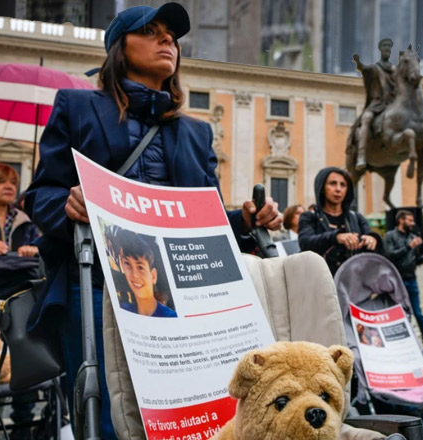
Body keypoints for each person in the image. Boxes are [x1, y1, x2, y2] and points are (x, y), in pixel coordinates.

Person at [25, 4, 281, 438]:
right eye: (152, 31)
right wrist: (68, 204)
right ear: (119, 48)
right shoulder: (77, 106)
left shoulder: (196, 133)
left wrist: (246, 218)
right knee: (106, 417)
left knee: (188, 413)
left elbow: (207, 218)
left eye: (173, 36)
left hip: (179, 300)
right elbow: (41, 195)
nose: (168, 40)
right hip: (94, 288)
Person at [0, 163, 40, 437]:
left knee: (21, 357)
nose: (9, 186)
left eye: (13, 182)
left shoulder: (25, 220)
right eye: (0, 181)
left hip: (16, 301)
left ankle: (24, 425)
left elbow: (39, 252)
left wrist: (32, 248)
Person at [298, 167, 378, 275]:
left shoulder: (357, 217)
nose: (338, 189)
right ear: (322, 187)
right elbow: (305, 243)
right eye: (332, 183)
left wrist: (371, 240)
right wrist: (335, 237)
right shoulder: (309, 217)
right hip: (320, 281)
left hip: (352, 283)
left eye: (343, 185)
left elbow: (374, 248)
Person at [385, 210, 423, 356]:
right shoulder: (391, 236)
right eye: (410, 220)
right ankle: (401, 345)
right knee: (400, 314)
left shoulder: (412, 237)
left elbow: (416, 261)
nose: (413, 223)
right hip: (397, 281)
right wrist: (409, 246)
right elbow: (390, 256)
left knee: (418, 313)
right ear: (401, 220)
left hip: (411, 279)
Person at [352, 38, 396, 170]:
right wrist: (358, 61)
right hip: (376, 104)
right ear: (380, 49)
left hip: (392, 104)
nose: (387, 48)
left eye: (389, 46)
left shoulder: (395, 70)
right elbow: (363, 69)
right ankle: (361, 155)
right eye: (385, 46)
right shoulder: (374, 68)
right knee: (366, 119)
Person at [116, 230, 175, 318]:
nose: (134, 275)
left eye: (140, 267)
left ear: (153, 275)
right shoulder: (123, 310)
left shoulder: (171, 316)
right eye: (127, 264)